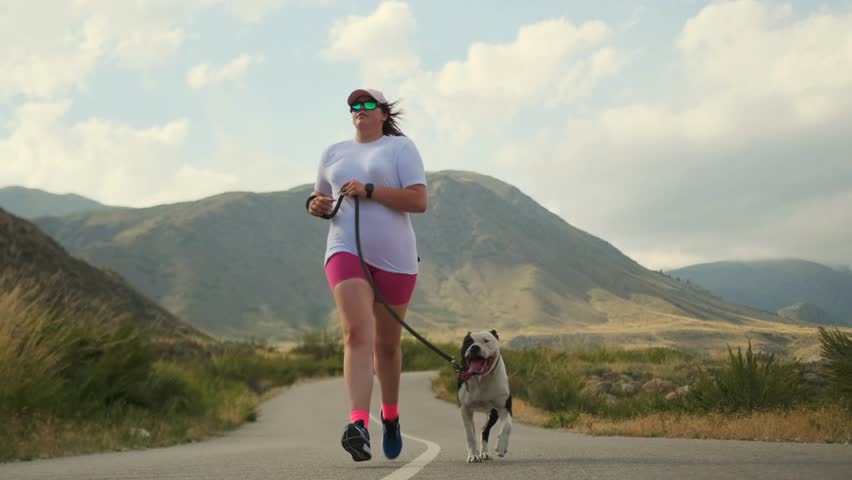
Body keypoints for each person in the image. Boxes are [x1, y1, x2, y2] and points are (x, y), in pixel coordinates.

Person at [306, 88, 428, 462]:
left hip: (396, 259)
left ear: (382, 113)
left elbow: (418, 201)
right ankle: (357, 424)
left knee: (387, 348)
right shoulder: (333, 153)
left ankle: (389, 416)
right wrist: (317, 205)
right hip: (345, 249)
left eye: (366, 104)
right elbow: (318, 199)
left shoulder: (400, 149)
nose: (358, 110)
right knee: (357, 333)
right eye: (353, 106)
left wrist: (370, 190)